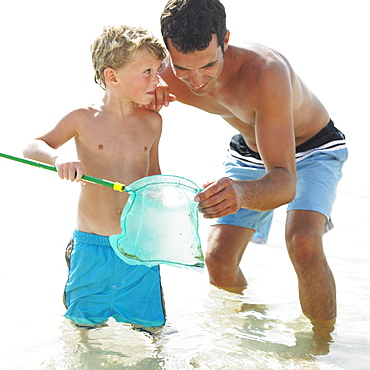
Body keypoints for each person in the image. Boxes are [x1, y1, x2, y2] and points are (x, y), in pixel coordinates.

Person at [157, 0, 348, 327]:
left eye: (208, 65)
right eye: (183, 68)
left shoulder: (265, 72)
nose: (198, 81)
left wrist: (241, 193)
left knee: (302, 241)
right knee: (217, 258)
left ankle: (322, 348)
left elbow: (285, 182)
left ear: (226, 39)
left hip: (313, 148)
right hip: (248, 150)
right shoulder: (162, 77)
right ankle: (250, 334)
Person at [23, 25, 167, 328]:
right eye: (147, 72)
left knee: (151, 329)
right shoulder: (82, 117)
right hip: (91, 246)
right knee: (83, 328)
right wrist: (58, 158)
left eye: (158, 70)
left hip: (138, 246)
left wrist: (169, 208)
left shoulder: (153, 122)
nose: (157, 79)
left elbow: (154, 178)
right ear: (112, 76)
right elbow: (33, 146)